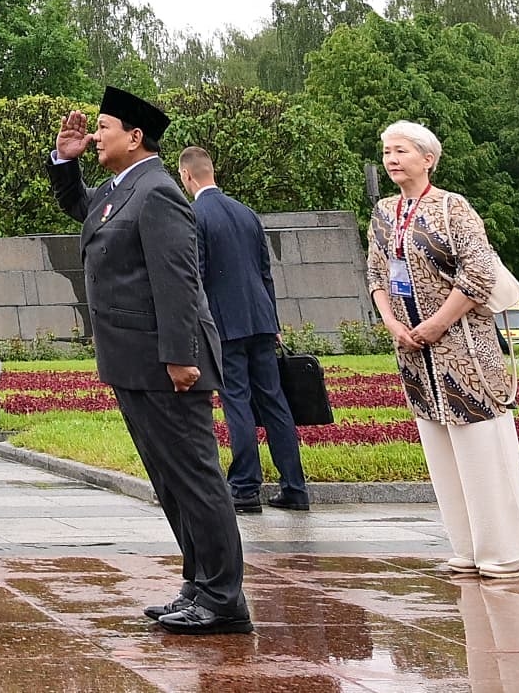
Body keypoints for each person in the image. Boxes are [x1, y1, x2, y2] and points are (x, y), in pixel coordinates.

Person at [51, 88, 247, 636]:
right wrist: (65, 163)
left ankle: (224, 598)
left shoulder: (157, 191)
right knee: (170, 480)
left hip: (167, 365)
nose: (94, 136)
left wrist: (181, 358)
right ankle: (199, 583)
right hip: (133, 361)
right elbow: (83, 209)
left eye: (103, 128)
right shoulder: (121, 190)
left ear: (135, 137)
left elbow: (178, 281)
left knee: (196, 479)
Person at [370, 119, 519, 577]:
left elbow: (479, 275)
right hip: (412, 352)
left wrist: (435, 324)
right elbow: (375, 276)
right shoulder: (384, 213)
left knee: (480, 444)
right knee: (440, 447)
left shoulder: (454, 208)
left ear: (428, 158)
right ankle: (466, 547)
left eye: (401, 151)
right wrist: (393, 324)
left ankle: (504, 551)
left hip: (464, 346)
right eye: (387, 152)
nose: (392, 160)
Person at [177, 141, 308, 514]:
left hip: (225, 325)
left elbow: (197, 277)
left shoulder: (194, 215)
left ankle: (246, 488)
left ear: (186, 175)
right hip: (262, 321)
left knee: (237, 401)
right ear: (212, 171)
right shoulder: (247, 213)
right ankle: (295, 488)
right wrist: (274, 322)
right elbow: (265, 272)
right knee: (274, 401)